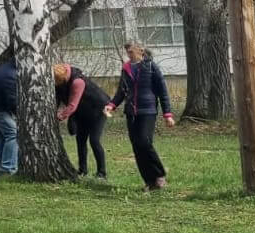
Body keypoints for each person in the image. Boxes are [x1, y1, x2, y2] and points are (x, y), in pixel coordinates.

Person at [104, 41, 174, 191]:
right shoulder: (126, 68)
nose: (129, 55)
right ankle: (150, 181)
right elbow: (121, 91)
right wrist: (111, 105)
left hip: (148, 111)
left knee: (144, 142)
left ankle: (159, 174)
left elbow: (163, 91)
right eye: (127, 52)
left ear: (141, 51)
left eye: (131, 51)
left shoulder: (151, 67)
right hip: (131, 112)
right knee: (137, 147)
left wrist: (167, 114)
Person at [54, 62, 111, 178]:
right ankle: (82, 170)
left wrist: (59, 117)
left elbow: (72, 105)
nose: (56, 84)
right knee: (80, 140)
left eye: (57, 81)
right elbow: (58, 99)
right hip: (82, 111)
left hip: (98, 109)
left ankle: (101, 173)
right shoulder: (60, 81)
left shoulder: (77, 82)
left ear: (64, 77)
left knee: (94, 140)